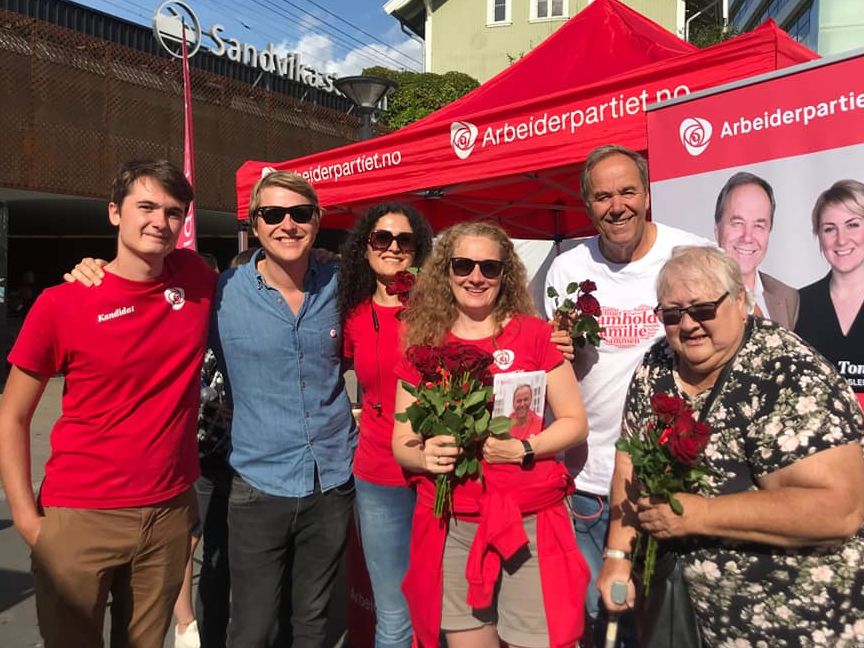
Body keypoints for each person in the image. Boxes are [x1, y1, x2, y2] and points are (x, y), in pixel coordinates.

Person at [599, 245, 864, 645]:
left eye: (703, 310)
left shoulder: (788, 374)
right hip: (683, 620)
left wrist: (699, 514)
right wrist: (618, 556)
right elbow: (629, 461)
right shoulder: (657, 365)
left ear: (741, 302)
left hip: (791, 624)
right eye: (671, 315)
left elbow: (839, 509)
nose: (687, 325)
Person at [0, 160, 215, 646]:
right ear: (114, 213)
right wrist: (28, 521)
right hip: (80, 515)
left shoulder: (195, 279)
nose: (160, 221)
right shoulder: (63, 303)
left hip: (167, 514)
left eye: (173, 212)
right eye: (146, 206)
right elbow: (12, 415)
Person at [393, 221, 591, 648]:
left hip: (529, 524)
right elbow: (401, 440)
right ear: (446, 271)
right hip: (455, 525)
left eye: (489, 267)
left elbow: (575, 422)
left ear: (506, 274)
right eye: (463, 264)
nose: (476, 276)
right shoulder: (424, 343)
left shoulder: (536, 335)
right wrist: (425, 456)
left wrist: (525, 447)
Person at [543, 144, 708, 644]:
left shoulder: (690, 255)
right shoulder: (567, 268)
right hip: (585, 477)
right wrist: (554, 351)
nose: (617, 206)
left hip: (663, 475)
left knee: (660, 620)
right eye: (602, 197)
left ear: (647, 193)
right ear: (588, 206)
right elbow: (548, 365)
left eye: (627, 191)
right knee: (598, 616)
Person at [210, 170, 356, 647]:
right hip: (258, 485)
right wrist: (91, 268)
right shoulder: (222, 293)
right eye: (273, 214)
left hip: (331, 480)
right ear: (254, 224)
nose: (287, 224)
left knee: (313, 623)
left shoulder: (343, 282)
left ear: (318, 221)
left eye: (299, 213)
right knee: (253, 628)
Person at [338, 202, 434, 648]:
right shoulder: (352, 315)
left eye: (404, 239)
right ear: (365, 247)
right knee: (394, 615)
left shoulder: (438, 309)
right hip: (378, 477)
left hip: (439, 473)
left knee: (440, 605)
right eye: (382, 238)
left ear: (417, 249)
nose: (393, 247)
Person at [795, 179, 864, 409]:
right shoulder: (797, 306)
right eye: (829, 229)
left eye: (852, 225)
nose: (841, 239)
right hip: (821, 444)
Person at [713, 171, 799, 327]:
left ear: (769, 232)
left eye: (759, 226)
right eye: (737, 223)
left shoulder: (787, 297)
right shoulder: (696, 297)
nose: (747, 237)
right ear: (717, 230)